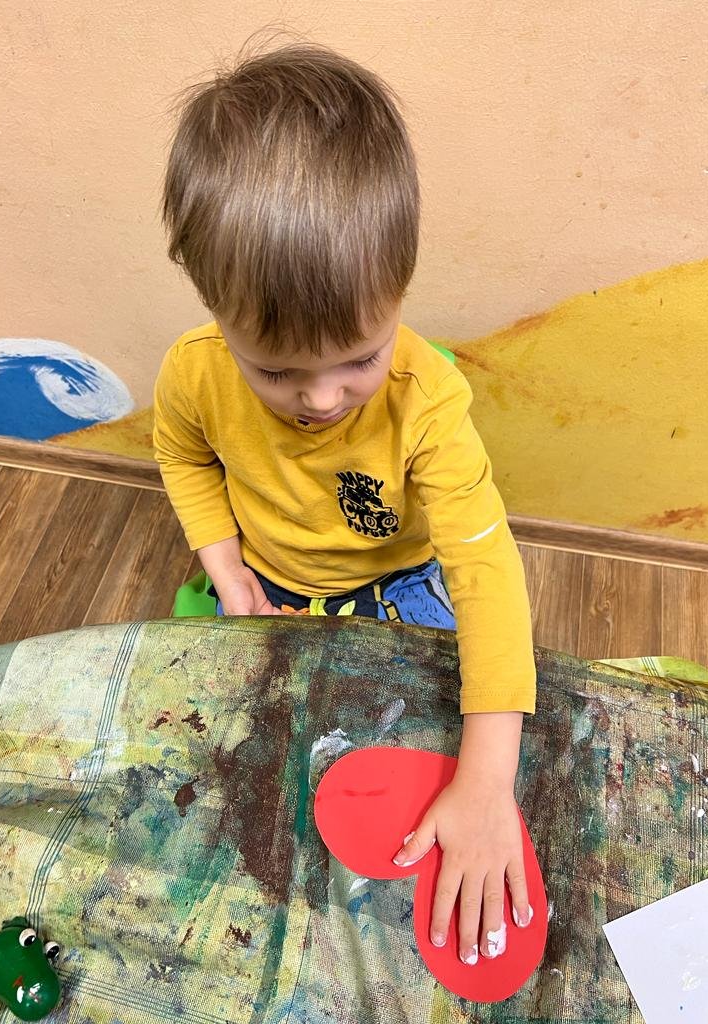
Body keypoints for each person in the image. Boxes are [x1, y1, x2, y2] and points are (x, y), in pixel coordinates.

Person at [154, 40, 537, 968]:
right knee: (244, 774)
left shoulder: (427, 402)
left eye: (360, 358)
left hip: (401, 584)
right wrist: (223, 566)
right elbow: (183, 455)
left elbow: (487, 574)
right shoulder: (192, 373)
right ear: (215, 312)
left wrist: (488, 781)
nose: (322, 400)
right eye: (276, 371)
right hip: (273, 582)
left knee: (437, 747)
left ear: (400, 287)